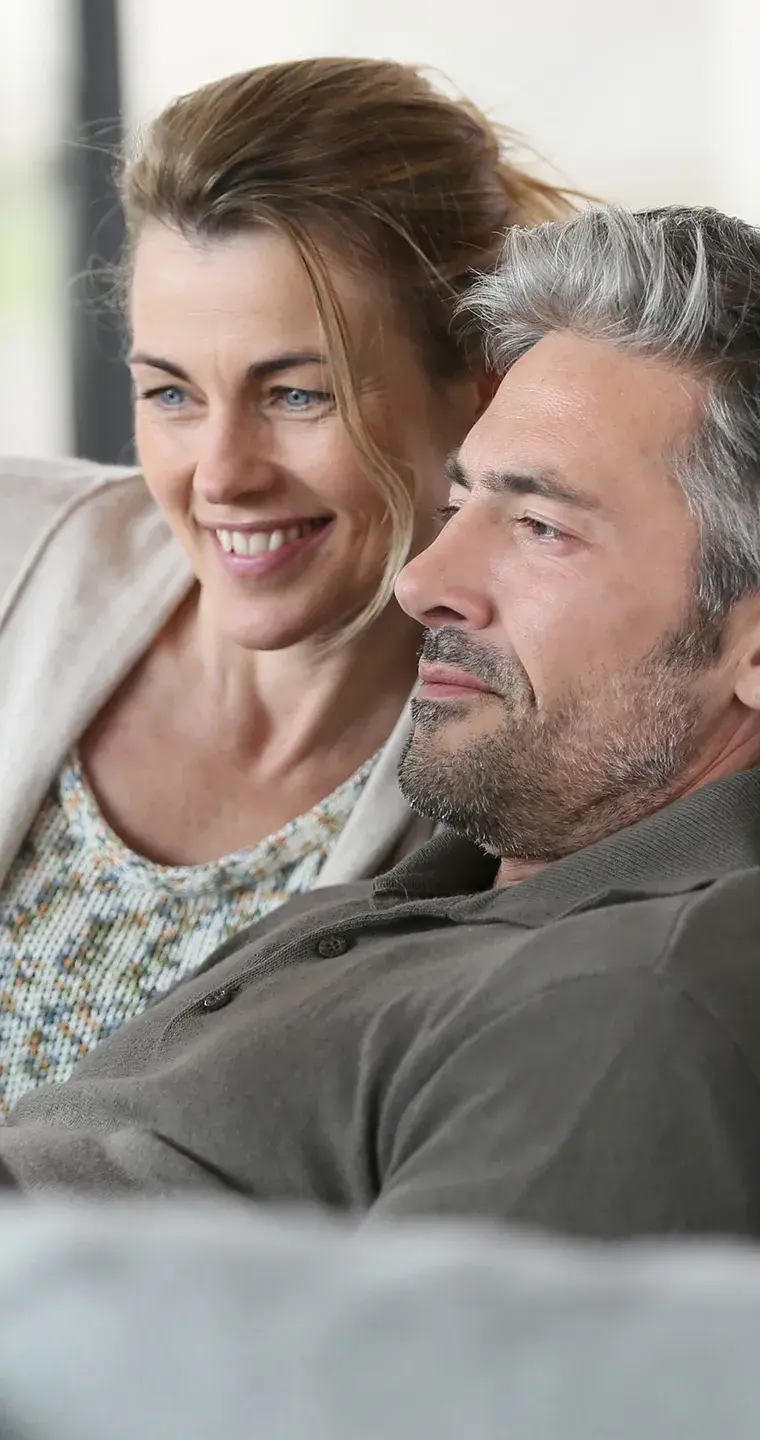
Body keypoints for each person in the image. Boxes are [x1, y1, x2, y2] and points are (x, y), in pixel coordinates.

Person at [1, 204, 760, 1241]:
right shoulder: (468, 878)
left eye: (542, 527)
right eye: (462, 510)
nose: (423, 585)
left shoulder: (617, 1022)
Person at [0, 58, 573, 1117]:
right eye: (171, 392)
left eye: (295, 393)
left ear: (483, 385)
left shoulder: (511, 778)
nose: (219, 474)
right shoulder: (15, 551)